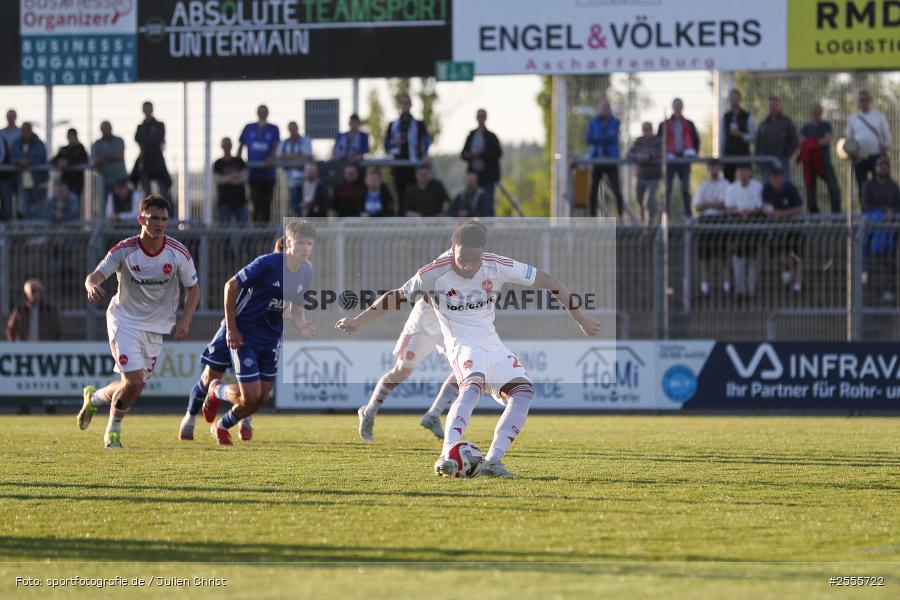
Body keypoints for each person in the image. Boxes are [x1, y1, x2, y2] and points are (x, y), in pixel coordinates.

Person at [336, 222, 601, 478]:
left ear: (483, 253)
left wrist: (581, 318)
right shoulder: (433, 272)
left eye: (475, 260)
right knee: (471, 387)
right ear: (453, 248)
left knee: (523, 392)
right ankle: (446, 456)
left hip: (492, 344)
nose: (469, 266)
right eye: (463, 259)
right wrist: (358, 321)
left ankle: (493, 462)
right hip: (461, 344)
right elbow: (395, 296)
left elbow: (547, 279)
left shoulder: (496, 265)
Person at [78, 195, 199, 448]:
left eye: (164, 219)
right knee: (132, 381)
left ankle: (94, 398)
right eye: (154, 218)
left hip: (156, 327)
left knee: (133, 387)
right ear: (141, 218)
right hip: (125, 322)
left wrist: (185, 321)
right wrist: (92, 285)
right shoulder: (125, 250)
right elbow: (95, 276)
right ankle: (113, 432)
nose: (160, 223)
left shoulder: (178, 253)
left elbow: (194, 288)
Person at [187, 221, 316, 445]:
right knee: (247, 393)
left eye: (310, 243)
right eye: (301, 242)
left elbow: (296, 307)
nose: (305, 248)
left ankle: (223, 424)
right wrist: (233, 328)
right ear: (288, 243)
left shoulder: (307, 271)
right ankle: (213, 394)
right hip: (245, 333)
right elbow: (230, 286)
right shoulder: (268, 263)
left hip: (271, 337)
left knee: (262, 398)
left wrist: (302, 324)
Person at [357, 297, 460, 442]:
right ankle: (369, 412)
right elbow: (426, 294)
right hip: (423, 324)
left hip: (448, 324)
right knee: (401, 372)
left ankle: (433, 415)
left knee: (462, 368)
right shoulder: (436, 274)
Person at [861, 156, 900, 303]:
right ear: (875, 168)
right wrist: (884, 213)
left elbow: (898, 205)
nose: (882, 168)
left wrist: (891, 213)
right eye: (880, 165)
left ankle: (882, 246)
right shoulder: (867, 186)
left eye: (885, 165)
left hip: (891, 222)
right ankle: (866, 264)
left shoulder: (894, 186)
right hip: (873, 220)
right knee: (874, 221)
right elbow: (866, 206)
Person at [691, 159, 732, 297]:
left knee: (724, 256)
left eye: (716, 166)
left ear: (720, 168)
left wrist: (707, 204)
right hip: (705, 222)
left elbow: (724, 204)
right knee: (705, 257)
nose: (713, 169)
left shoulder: (726, 185)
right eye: (711, 167)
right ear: (708, 168)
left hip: (721, 221)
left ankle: (726, 286)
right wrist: (713, 204)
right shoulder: (703, 186)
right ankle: (705, 287)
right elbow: (697, 206)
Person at [762, 168, 805, 293]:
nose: (776, 180)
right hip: (776, 230)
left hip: (794, 229)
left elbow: (800, 208)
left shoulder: (790, 188)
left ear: (782, 177)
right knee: (776, 253)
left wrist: (783, 213)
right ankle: (786, 270)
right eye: (773, 177)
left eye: (778, 177)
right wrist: (782, 214)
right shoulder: (767, 189)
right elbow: (767, 209)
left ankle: (797, 286)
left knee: (797, 257)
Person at [725, 165, 765, 298]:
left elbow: (761, 207)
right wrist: (738, 211)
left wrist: (751, 211)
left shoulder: (757, 186)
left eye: (745, 171)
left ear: (749, 173)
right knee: (738, 259)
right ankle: (740, 291)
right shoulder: (732, 188)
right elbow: (729, 208)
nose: (743, 173)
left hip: (753, 225)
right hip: (737, 227)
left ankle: (751, 290)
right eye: (740, 171)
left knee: (753, 259)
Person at [384, 94, 430, 208]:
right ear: (400, 105)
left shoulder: (419, 124)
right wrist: (395, 143)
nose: (405, 105)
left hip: (414, 165)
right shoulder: (393, 125)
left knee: (414, 194)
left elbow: (426, 141)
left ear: (411, 105)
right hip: (398, 165)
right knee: (400, 195)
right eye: (403, 103)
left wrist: (424, 154)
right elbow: (386, 145)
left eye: (407, 103)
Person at [658, 98, 700, 218]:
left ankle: (688, 215)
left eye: (680, 105)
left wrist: (693, 153)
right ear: (672, 107)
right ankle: (664, 216)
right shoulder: (664, 124)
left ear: (682, 107)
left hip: (684, 159)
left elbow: (696, 140)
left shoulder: (689, 123)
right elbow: (659, 141)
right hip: (669, 159)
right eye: (676, 105)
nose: (678, 108)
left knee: (685, 188)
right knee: (667, 189)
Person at [238, 105, 280, 223]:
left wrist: (271, 158)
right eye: (260, 111)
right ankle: (256, 229)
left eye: (264, 112)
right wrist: (239, 163)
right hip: (253, 173)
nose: (262, 114)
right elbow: (241, 146)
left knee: (266, 202)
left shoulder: (273, 128)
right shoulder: (249, 127)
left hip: (268, 174)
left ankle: (265, 231)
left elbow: (275, 146)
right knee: (255, 201)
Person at [798, 103, 841, 214]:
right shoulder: (806, 127)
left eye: (818, 112)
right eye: (814, 112)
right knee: (810, 189)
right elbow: (801, 141)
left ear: (821, 113)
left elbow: (827, 139)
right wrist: (818, 142)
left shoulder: (826, 125)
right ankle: (814, 215)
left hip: (824, 162)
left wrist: (811, 143)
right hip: (809, 163)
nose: (816, 114)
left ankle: (836, 215)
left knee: (833, 187)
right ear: (811, 113)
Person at [848, 90, 892, 198]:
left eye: (866, 100)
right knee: (862, 185)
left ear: (870, 101)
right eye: (861, 100)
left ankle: (880, 211)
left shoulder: (879, 116)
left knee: (879, 184)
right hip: (859, 157)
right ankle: (865, 212)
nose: (864, 103)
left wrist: (885, 148)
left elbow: (887, 136)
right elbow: (849, 138)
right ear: (858, 102)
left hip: (876, 155)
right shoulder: (853, 118)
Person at [461, 109, 502, 216]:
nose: (481, 119)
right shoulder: (471, 136)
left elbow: (497, 154)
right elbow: (463, 154)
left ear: (486, 118)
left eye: (483, 116)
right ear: (476, 118)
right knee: (473, 203)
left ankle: (489, 226)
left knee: (487, 202)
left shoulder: (491, 136)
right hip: (474, 177)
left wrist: (481, 154)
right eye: (479, 117)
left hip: (487, 176)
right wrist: (471, 155)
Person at [585, 101, 623, 217]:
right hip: (597, 160)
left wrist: (598, 138)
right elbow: (588, 139)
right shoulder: (593, 123)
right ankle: (592, 217)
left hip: (611, 160)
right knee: (593, 190)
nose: (605, 109)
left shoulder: (615, 122)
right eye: (603, 107)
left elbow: (612, 138)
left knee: (616, 188)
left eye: (607, 107)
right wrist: (604, 137)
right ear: (599, 109)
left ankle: (620, 215)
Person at [133, 101, 172, 204]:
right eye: (146, 109)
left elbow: (159, 139)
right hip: (145, 163)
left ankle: (169, 215)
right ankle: (148, 214)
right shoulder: (140, 127)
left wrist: (148, 141)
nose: (147, 111)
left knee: (164, 192)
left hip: (158, 163)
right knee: (146, 193)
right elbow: (138, 139)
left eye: (149, 109)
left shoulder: (159, 125)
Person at [755, 96, 799, 182]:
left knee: (783, 186)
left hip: (782, 161)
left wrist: (786, 154)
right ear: (768, 107)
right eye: (771, 106)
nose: (773, 108)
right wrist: (758, 160)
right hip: (766, 161)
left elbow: (794, 141)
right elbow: (758, 143)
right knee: (767, 187)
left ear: (780, 106)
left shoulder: (787, 122)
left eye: (775, 105)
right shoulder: (763, 124)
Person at [626, 121, 662, 225]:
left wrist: (648, 155)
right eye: (644, 130)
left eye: (648, 129)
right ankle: (643, 223)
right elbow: (629, 154)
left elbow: (661, 152)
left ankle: (650, 223)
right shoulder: (639, 141)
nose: (646, 132)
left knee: (649, 201)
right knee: (639, 201)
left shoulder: (658, 140)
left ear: (652, 129)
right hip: (640, 176)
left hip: (653, 176)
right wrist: (638, 156)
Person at [11, 122, 49, 220]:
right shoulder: (16, 143)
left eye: (27, 130)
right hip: (23, 182)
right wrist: (18, 161)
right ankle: (26, 233)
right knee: (23, 209)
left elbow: (41, 158)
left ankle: (38, 232)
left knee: (39, 209)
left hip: (38, 181)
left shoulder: (39, 143)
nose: (25, 133)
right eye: (23, 130)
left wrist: (29, 162)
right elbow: (12, 157)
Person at [720, 89, 756, 182]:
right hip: (728, 155)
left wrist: (741, 135)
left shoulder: (748, 116)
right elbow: (722, 138)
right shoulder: (725, 117)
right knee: (728, 182)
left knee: (746, 182)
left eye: (736, 98)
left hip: (743, 155)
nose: (734, 100)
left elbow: (754, 136)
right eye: (732, 98)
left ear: (740, 99)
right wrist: (721, 155)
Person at [279, 121, 314, 213]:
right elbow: (279, 157)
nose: (292, 130)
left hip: (305, 178)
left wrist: (290, 156)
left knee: (307, 202)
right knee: (295, 204)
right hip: (291, 179)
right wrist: (297, 157)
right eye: (290, 128)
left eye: (294, 128)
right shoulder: (285, 142)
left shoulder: (305, 140)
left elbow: (307, 157)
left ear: (298, 128)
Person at [213, 137, 249, 225]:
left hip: (239, 200)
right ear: (222, 147)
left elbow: (244, 178)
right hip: (224, 201)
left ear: (231, 146)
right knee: (225, 228)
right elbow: (219, 180)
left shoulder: (239, 161)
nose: (227, 147)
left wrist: (227, 179)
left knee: (244, 227)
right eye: (225, 145)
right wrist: (233, 176)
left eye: (228, 145)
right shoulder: (218, 163)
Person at [91, 121, 128, 202]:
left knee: (121, 203)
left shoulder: (119, 140)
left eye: (108, 128)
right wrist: (111, 156)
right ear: (101, 130)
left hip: (120, 179)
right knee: (107, 205)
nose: (106, 130)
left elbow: (119, 155)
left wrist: (103, 157)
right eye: (104, 128)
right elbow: (95, 160)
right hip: (105, 181)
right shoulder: (96, 144)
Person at [51, 128, 89, 202]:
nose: (70, 138)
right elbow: (53, 160)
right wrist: (59, 162)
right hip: (65, 183)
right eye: (69, 136)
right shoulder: (64, 149)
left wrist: (68, 162)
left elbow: (83, 160)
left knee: (74, 202)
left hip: (76, 183)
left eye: (72, 136)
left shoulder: (81, 148)